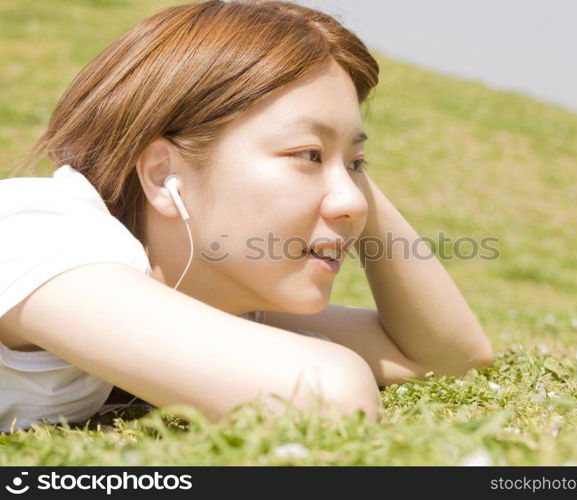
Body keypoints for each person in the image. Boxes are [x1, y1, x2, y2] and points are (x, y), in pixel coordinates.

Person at [0, 0, 493, 433]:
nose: (353, 202)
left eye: (357, 166)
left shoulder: (199, 287)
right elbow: (327, 396)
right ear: (161, 174)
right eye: (306, 154)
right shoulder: (41, 234)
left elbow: (445, 357)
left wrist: (338, 159)